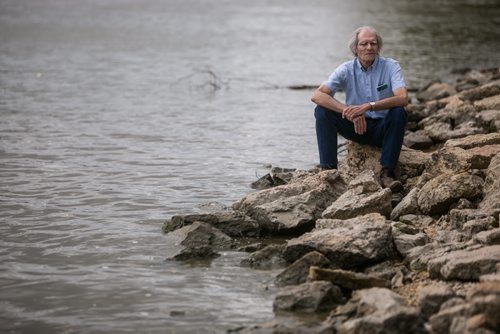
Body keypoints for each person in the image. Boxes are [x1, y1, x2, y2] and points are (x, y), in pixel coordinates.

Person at [311, 26, 408, 192]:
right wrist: (348, 111)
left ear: (378, 47)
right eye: (364, 44)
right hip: (355, 127)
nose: (369, 48)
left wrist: (369, 106)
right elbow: (317, 96)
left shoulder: (391, 66)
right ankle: (328, 172)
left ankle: (387, 174)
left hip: (382, 130)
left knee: (399, 111)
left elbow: (403, 98)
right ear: (355, 48)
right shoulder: (346, 69)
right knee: (322, 111)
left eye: (373, 43)